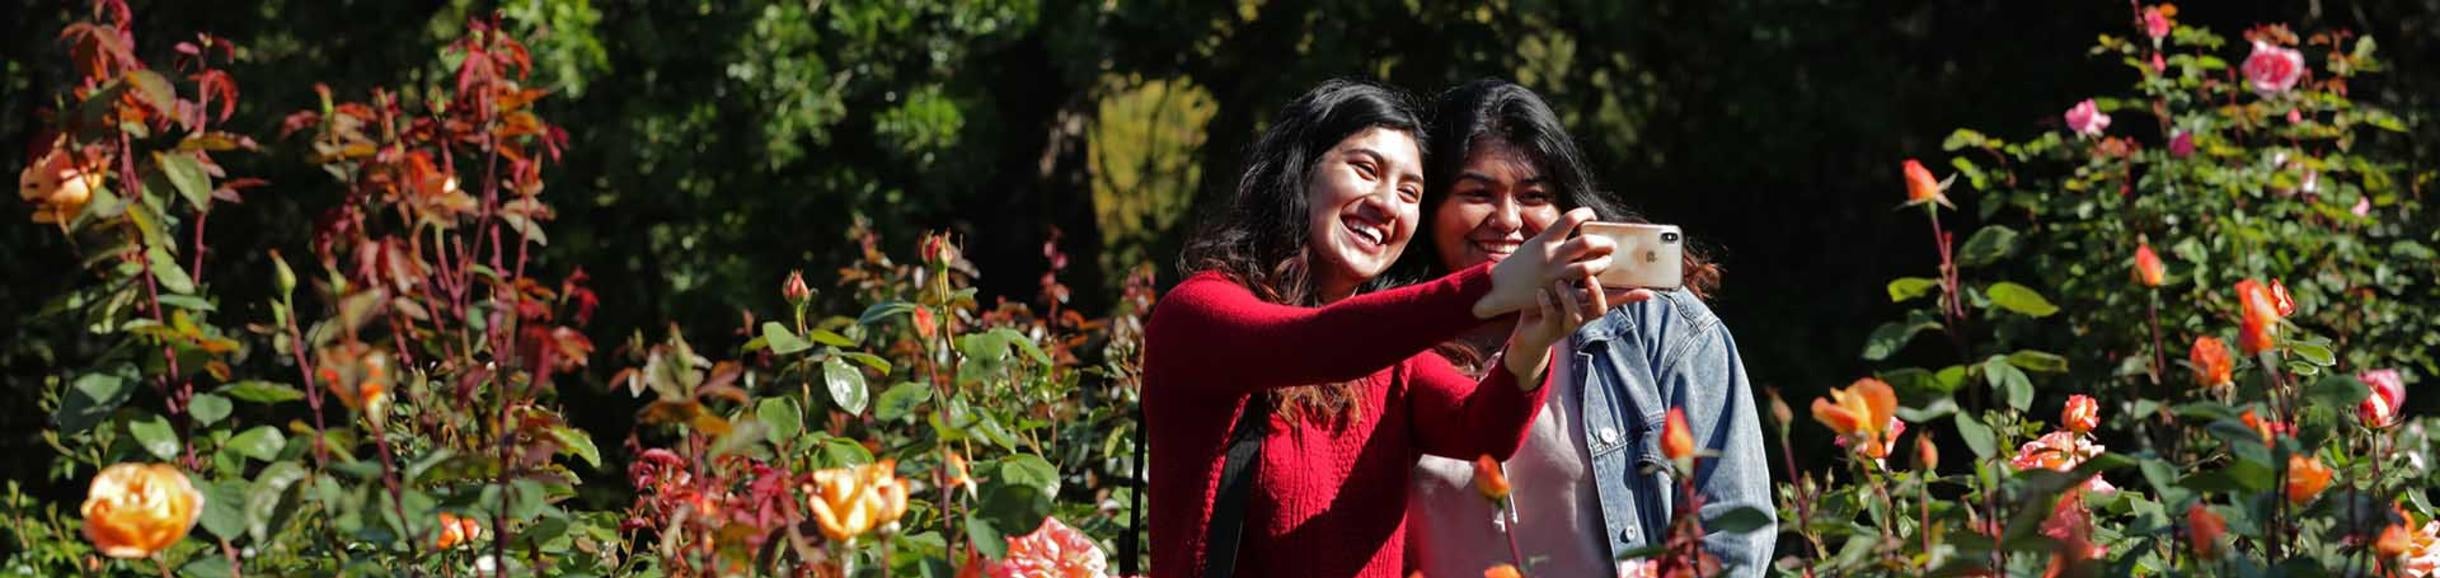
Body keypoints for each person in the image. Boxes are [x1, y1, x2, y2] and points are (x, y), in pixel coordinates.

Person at [1142, 79, 1633, 578]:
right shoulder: (1197, 312)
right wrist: (1498, 284)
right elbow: (1309, 344)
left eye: (1409, 191)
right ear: (1300, 173)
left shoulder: (1391, 355)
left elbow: (1480, 431)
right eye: (1365, 169)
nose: (1388, 204)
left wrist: (1531, 344)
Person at [1398, 79, 1776, 577]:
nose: (1508, 219)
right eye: (1477, 193)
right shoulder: (1388, 338)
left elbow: (1731, 532)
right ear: (1430, 206)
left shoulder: (1656, 326)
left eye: (1534, 195)